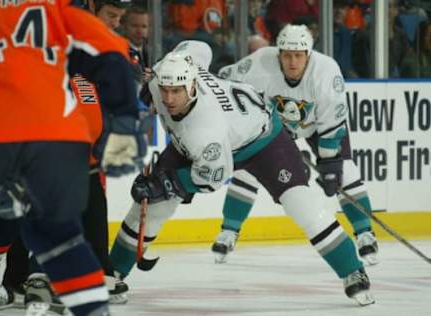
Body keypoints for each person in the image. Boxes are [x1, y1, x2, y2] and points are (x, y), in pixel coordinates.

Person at [109, 40, 375, 306]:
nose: (168, 100)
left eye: (176, 91)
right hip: (205, 137)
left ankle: (352, 270)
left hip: (264, 141)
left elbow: (213, 177)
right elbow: (199, 47)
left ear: (191, 86)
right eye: (164, 90)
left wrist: (165, 183)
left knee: (301, 203)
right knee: (151, 207)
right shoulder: (164, 78)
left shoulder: (205, 131)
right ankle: (114, 274)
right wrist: (155, 78)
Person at [0, 0, 139, 315]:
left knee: (4, 217)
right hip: (51, 140)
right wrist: (125, 121)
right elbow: (113, 60)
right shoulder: (59, 14)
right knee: (57, 234)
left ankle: (3, 276)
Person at [215, 24, 379, 266]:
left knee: (345, 170)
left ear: (308, 55)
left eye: (299, 55)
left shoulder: (326, 71)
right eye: (287, 55)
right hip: (276, 128)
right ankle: (229, 231)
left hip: (318, 126)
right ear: (278, 53)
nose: (292, 62)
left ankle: (365, 234)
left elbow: (331, 123)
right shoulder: (259, 63)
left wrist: (329, 163)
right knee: (247, 172)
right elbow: (222, 83)